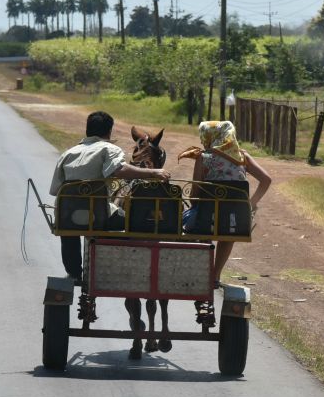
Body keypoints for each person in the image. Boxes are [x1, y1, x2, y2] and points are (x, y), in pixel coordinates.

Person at [50, 111, 170, 283]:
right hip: (100, 217)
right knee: (135, 222)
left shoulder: (68, 153)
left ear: (87, 130)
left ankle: (74, 274)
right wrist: (153, 172)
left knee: (69, 231)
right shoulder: (109, 149)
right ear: (109, 132)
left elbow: (56, 189)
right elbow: (118, 170)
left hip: (68, 216)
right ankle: (123, 268)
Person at [178, 120, 271, 280]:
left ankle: (202, 272)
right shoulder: (242, 156)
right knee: (228, 233)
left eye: (203, 136)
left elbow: (194, 195)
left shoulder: (204, 157)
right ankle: (215, 275)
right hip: (235, 219)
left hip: (207, 219)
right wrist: (251, 204)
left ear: (211, 136)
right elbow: (266, 180)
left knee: (195, 222)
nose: (201, 140)